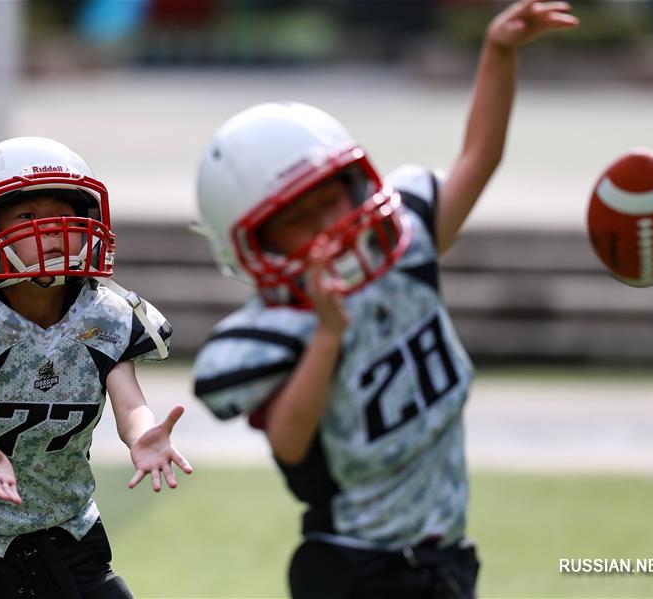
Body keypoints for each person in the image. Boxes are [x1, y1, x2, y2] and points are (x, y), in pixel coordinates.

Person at [191, 2, 578, 597]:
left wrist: (499, 53)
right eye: (299, 218)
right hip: (354, 568)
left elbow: (479, 158)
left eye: (331, 197)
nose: (328, 222)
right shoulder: (278, 332)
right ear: (256, 243)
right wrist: (328, 334)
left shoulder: (407, 248)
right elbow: (291, 443)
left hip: (443, 557)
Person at [0, 136, 192, 599]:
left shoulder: (107, 317)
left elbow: (129, 400)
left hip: (68, 528)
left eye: (63, 217)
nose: (50, 230)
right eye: (29, 217)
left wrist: (143, 434)